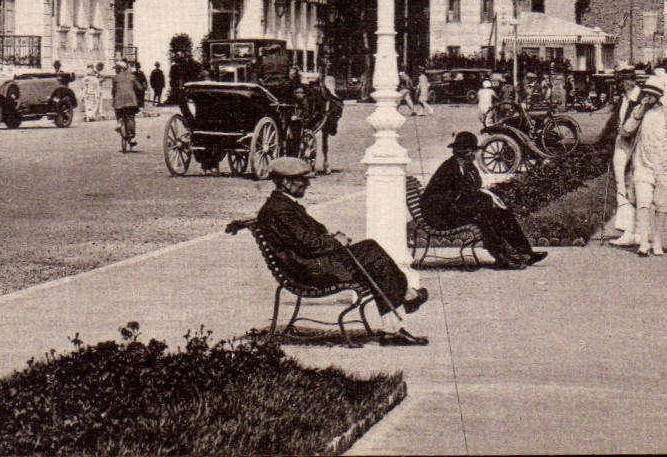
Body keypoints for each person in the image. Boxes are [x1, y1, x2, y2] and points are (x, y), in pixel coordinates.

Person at [230, 157, 428, 345]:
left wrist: (332, 239)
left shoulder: (282, 205)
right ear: (286, 182)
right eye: (303, 181)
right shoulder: (280, 210)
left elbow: (311, 236)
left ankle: (398, 317)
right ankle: (403, 306)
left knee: (373, 253)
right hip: (308, 270)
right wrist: (335, 242)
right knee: (374, 255)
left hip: (310, 263)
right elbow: (309, 244)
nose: (307, 185)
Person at [422, 131, 545, 269]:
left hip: (453, 209)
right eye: (472, 151)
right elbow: (457, 195)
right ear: (464, 152)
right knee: (483, 217)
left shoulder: (468, 166)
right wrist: (485, 202)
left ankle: (525, 252)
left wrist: (491, 200)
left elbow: (475, 186)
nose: (474, 155)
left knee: (502, 213)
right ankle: (503, 257)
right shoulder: (449, 169)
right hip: (439, 215)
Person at [625, 76, 667, 257]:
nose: (647, 97)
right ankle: (644, 242)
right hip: (642, 163)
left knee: (661, 205)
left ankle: (657, 240)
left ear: (659, 96)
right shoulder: (639, 112)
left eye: (651, 94)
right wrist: (639, 110)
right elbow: (626, 131)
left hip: (664, 163)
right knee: (643, 203)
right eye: (645, 93)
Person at [605, 66, 643, 247]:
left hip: (632, 146)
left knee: (628, 186)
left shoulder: (639, 100)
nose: (620, 86)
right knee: (625, 185)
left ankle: (631, 231)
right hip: (622, 145)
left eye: (621, 82)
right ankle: (633, 230)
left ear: (628, 82)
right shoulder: (626, 99)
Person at [111, 61, 140, 151]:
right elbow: (140, 88)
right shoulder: (132, 77)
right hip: (131, 102)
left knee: (117, 108)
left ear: (120, 69)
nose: (116, 70)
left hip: (119, 101)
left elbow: (113, 91)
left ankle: (119, 123)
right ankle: (132, 137)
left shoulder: (115, 78)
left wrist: (114, 98)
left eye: (116, 69)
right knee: (130, 117)